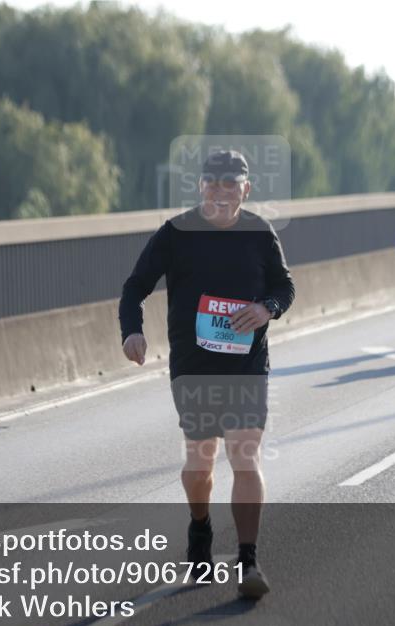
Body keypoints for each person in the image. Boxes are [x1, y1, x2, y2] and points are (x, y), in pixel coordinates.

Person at [119, 150, 294, 600]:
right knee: (199, 466)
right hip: (194, 368)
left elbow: (284, 286)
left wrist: (265, 309)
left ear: (245, 189)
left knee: (245, 458)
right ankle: (200, 527)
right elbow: (135, 287)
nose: (221, 193)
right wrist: (132, 333)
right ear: (201, 187)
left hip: (247, 365)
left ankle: (249, 560)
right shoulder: (176, 234)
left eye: (230, 185)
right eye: (213, 185)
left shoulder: (259, 232)